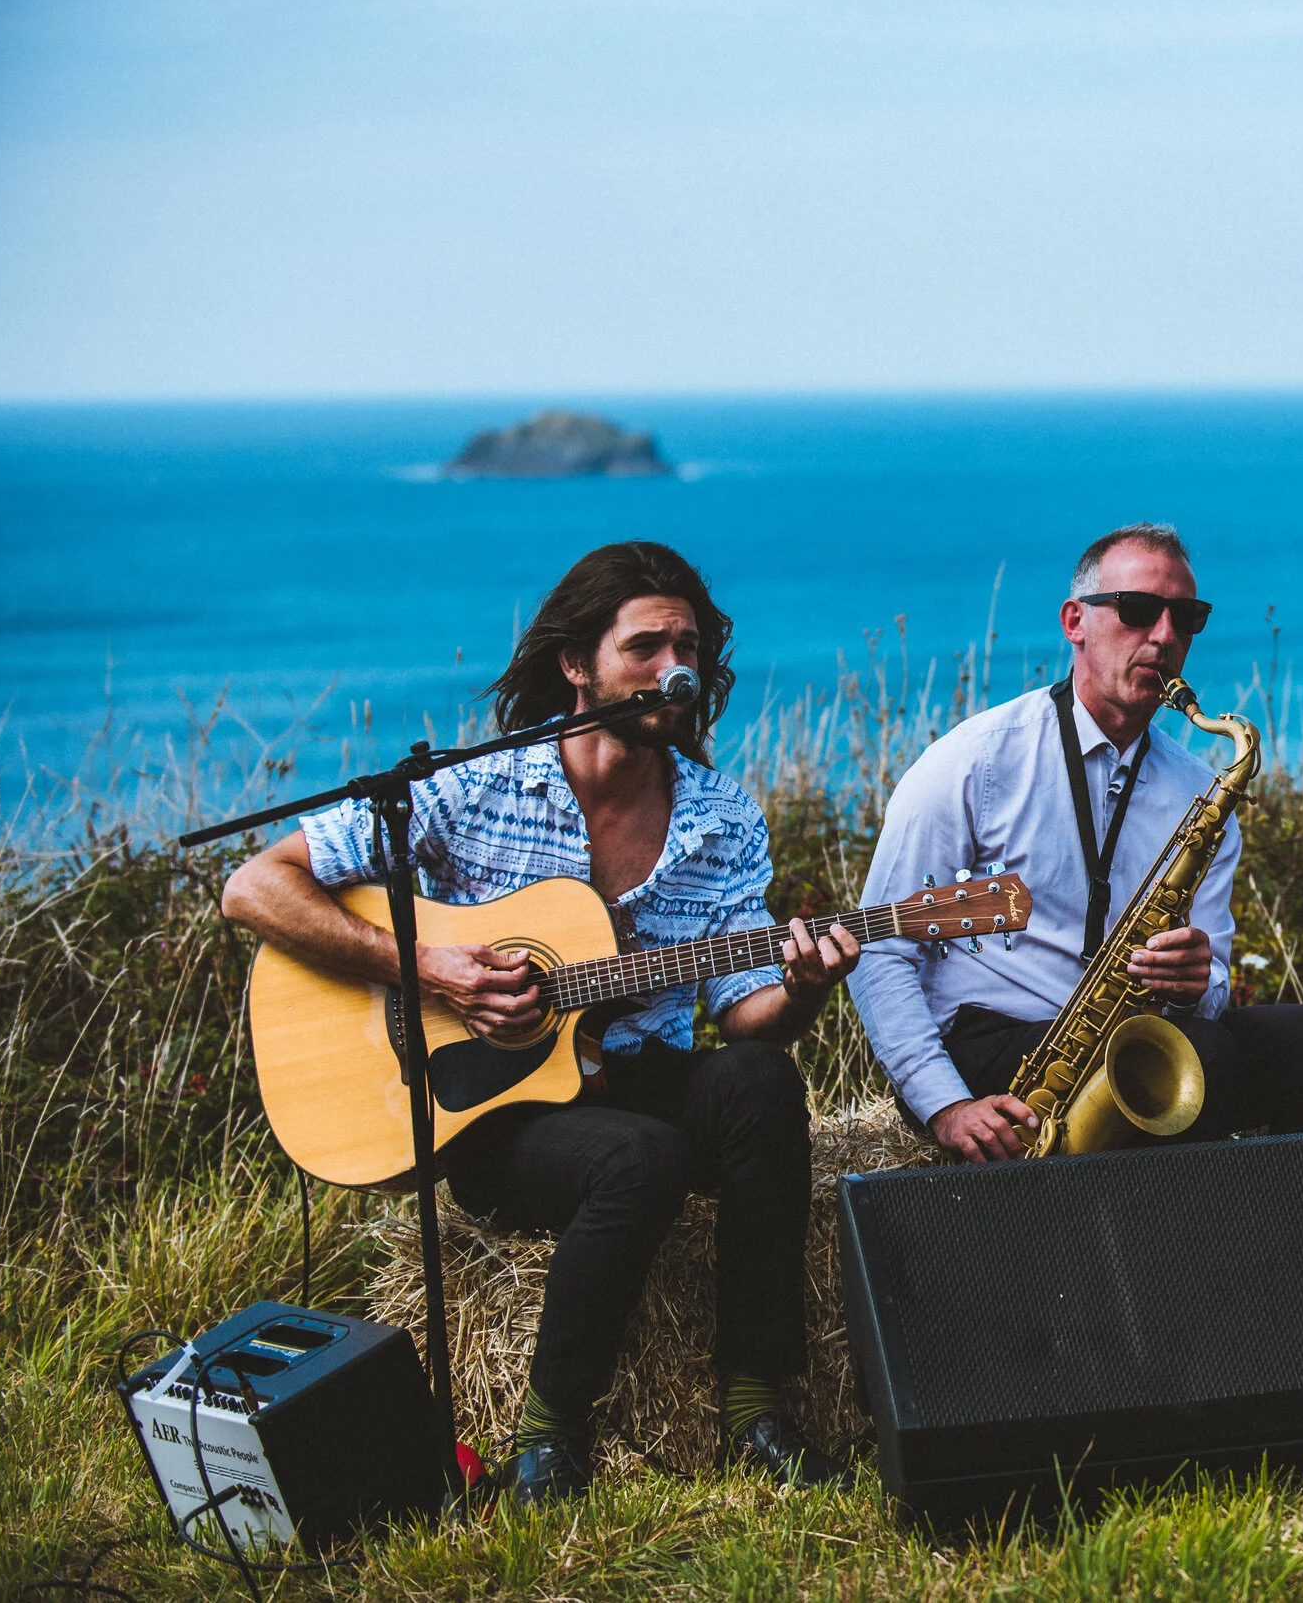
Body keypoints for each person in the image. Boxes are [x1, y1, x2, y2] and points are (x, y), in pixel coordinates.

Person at [221, 541, 855, 1501]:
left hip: (631, 1075)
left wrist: (806, 982)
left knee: (761, 1082)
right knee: (639, 1155)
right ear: (577, 664)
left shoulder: (721, 817)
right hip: (496, 1110)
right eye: (645, 645)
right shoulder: (476, 787)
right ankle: (551, 1436)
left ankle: (757, 1405)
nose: (672, 668)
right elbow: (254, 887)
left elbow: (746, 1017)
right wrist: (434, 968)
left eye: (687, 644)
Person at [849, 522, 1303, 1161]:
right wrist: (946, 1106)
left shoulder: (1200, 792)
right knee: (1209, 1061)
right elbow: (880, 953)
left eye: (1187, 618)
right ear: (1075, 621)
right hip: (989, 1041)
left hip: (1126, 1034)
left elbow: (1211, 991)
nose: (1164, 637)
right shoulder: (975, 762)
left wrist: (1197, 979)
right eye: (1139, 610)